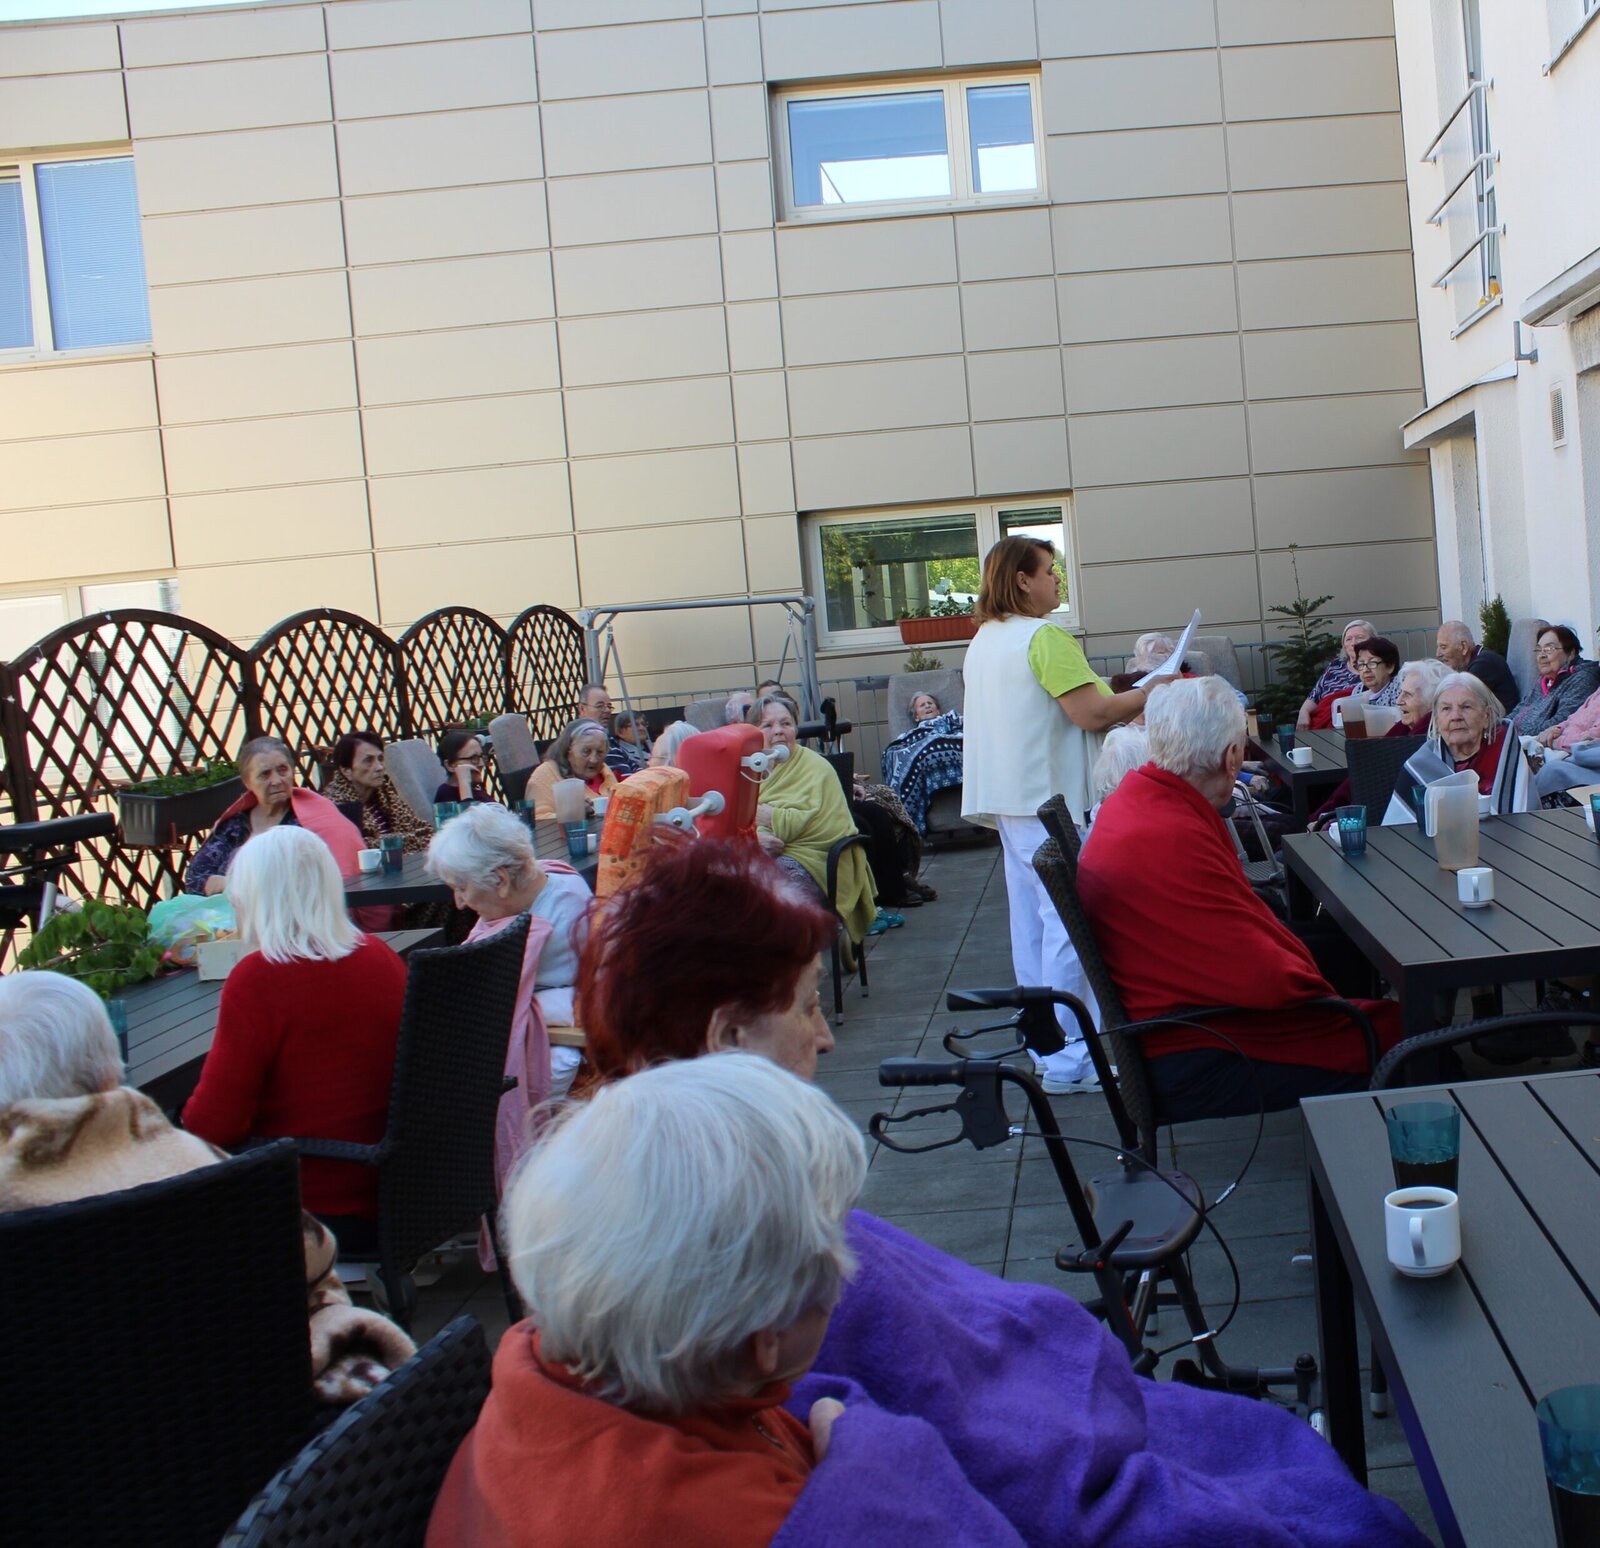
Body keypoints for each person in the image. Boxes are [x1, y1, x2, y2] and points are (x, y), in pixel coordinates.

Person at [568, 840, 1427, 1548]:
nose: (827, 1036)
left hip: (1083, 1408)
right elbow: (996, 1452)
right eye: (804, 1007)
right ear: (727, 1037)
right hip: (1083, 1451)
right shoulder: (750, 1273)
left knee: (1271, 1453)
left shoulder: (665, 1212)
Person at [426, 1054, 863, 1548]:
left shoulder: (541, 1368)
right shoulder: (733, 1521)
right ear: (767, 1334)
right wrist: (856, 1475)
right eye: (837, 1248)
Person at [0, 972, 414, 1404]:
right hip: (242, 1419)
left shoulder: (20, 1206)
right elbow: (312, 1267)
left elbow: (214, 1118)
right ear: (109, 1071)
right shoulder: (205, 1174)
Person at [1077, 677, 1402, 1121]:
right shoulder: (1170, 833)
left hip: (1167, 1025)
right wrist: (1327, 1000)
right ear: (1233, 758)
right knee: (1410, 1045)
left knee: (1340, 952)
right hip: (1197, 1047)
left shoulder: (1137, 801)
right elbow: (1263, 978)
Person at [960, 535, 1169, 1093]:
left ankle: (1047, 1047)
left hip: (1009, 799)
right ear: (1023, 580)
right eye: (1049, 571)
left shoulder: (985, 639)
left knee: (1030, 924)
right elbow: (1092, 713)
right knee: (1067, 925)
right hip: (1049, 800)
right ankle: (1074, 1057)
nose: (1056, 580)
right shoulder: (1042, 636)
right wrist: (1154, 690)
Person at [182, 826, 408, 1249]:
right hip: (401, 1190)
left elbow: (211, 1124)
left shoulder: (259, 979)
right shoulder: (381, 957)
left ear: (254, 899)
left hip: (312, 1201)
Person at [427, 804, 591, 1200]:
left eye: (462, 887)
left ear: (501, 880)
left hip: (563, 1041)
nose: (460, 903)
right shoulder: (532, 890)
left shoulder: (560, 918)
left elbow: (484, 993)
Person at [751, 693, 875, 946]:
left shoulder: (816, 767)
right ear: (752, 733)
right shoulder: (747, 770)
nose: (778, 731)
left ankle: (796, 964)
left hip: (816, 859)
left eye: (786, 723)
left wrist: (771, 817)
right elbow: (734, 823)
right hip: (758, 854)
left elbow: (821, 825)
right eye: (767, 725)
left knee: (777, 892)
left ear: (795, 730)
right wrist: (756, 838)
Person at [184, 735, 364, 896]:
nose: (276, 781)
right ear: (247, 782)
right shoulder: (234, 826)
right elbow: (194, 878)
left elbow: (324, 880)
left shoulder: (310, 822)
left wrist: (234, 884)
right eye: (265, 774)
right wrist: (223, 884)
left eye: (282, 770)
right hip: (230, 919)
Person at [1308, 658, 1448, 827]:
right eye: (1401, 693)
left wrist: (1328, 820)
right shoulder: (1403, 730)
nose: (1398, 701)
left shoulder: (1425, 744)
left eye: (1408, 695)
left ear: (1433, 702)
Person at [321, 729, 433, 853]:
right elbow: (361, 849)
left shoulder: (384, 792)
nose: (379, 767)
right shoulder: (337, 806)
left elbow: (426, 833)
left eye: (380, 759)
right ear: (346, 770)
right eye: (368, 760)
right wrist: (405, 841)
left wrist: (392, 843)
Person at [879, 691, 963, 836]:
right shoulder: (911, 734)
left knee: (931, 744)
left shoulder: (949, 719)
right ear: (916, 716)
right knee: (898, 756)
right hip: (924, 761)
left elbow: (965, 730)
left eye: (930, 703)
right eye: (922, 705)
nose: (927, 706)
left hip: (949, 751)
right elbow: (898, 749)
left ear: (938, 710)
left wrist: (936, 740)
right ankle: (904, 822)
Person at [1505, 624, 1600, 737]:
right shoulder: (1544, 680)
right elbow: (1521, 708)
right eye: (1539, 650)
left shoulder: (1583, 678)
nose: (1541, 655)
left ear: (1571, 653)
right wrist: (1501, 728)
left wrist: (1517, 736)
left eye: (1549, 649)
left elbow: (1562, 721)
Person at [1428, 670, 1508, 791]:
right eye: (1446, 708)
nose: (1456, 716)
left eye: (1466, 707)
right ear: (1436, 719)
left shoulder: (1505, 754)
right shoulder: (1421, 765)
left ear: (1486, 716)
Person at [525, 718, 618, 820]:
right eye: (586, 751)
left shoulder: (604, 771)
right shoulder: (545, 774)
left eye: (600, 752)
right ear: (568, 750)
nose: (593, 759)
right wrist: (572, 814)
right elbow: (538, 819)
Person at [1295, 619, 1375, 730]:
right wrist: (1303, 713)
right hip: (1322, 727)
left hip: (1355, 727)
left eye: (1360, 637)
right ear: (1344, 645)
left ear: (1374, 641)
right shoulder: (1335, 666)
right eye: (1348, 639)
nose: (1353, 643)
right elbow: (1314, 695)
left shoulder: (1377, 670)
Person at [1531, 675, 1600, 798]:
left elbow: (1590, 738)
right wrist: (1557, 729)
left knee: (1551, 770)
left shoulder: (1584, 678)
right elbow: (1572, 718)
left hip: (1585, 761)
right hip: (1567, 750)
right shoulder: (1597, 692)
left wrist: (1556, 741)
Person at [1435, 619, 1518, 711]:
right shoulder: (1478, 659)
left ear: (1464, 647)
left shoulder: (1484, 664)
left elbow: (1455, 699)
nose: (1438, 654)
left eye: (1443, 647)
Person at [433, 727, 494, 807]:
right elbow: (470, 814)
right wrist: (464, 784)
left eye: (481, 757)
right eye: (473, 758)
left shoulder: (475, 791)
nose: (481, 763)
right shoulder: (447, 796)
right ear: (450, 765)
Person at [1348, 634, 1402, 708]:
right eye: (1361, 664)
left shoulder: (1400, 689)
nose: (1365, 670)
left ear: (1390, 667)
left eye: (1372, 663)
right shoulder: (1358, 690)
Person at [605, 710, 649, 777]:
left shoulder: (657, 746)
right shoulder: (619, 754)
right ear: (620, 732)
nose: (642, 728)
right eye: (635, 725)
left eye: (643, 724)